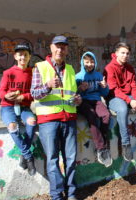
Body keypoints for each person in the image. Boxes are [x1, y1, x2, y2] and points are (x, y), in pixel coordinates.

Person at [31, 35, 81, 200]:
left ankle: (72, 193)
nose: (60, 50)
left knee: (71, 160)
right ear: (51, 48)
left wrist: (78, 99)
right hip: (48, 121)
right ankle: (56, 195)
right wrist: (48, 85)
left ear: (67, 49)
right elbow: (34, 93)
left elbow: (72, 93)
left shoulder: (71, 69)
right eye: (57, 46)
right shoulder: (40, 67)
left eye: (63, 47)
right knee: (52, 160)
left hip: (69, 118)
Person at [103, 42, 136, 161]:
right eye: (122, 53)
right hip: (114, 97)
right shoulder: (109, 68)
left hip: (129, 96)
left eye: (127, 53)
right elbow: (114, 89)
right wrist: (129, 101)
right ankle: (125, 144)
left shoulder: (130, 68)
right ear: (116, 53)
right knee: (122, 109)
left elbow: (134, 86)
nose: (125, 55)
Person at [0, 44, 36, 176]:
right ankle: (28, 156)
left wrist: (23, 96)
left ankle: (23, 154)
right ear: (15, 56)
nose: (23, 57)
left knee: (32, 122)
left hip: (24, 106)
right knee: (12, 126)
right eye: (20, 54)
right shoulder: (8, 73)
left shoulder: (32, 73)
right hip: (8, 106)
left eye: (25, 54)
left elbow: (34, 93)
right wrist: (6, 95)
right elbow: (1, 90)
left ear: (29, 57)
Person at [76, 51, 112, 167]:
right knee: (91, 116)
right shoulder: (78, 77)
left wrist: (104, 87)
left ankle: (102, 139)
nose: (89, 64)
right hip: (83, 102)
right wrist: (80, 88)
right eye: (87, 62)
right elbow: (73, 93)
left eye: (92, 62)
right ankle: (101, 148)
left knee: (106, 115)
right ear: (82, 63)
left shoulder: (99, 76)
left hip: (96, 100)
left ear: (95, 63)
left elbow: (104, 93)